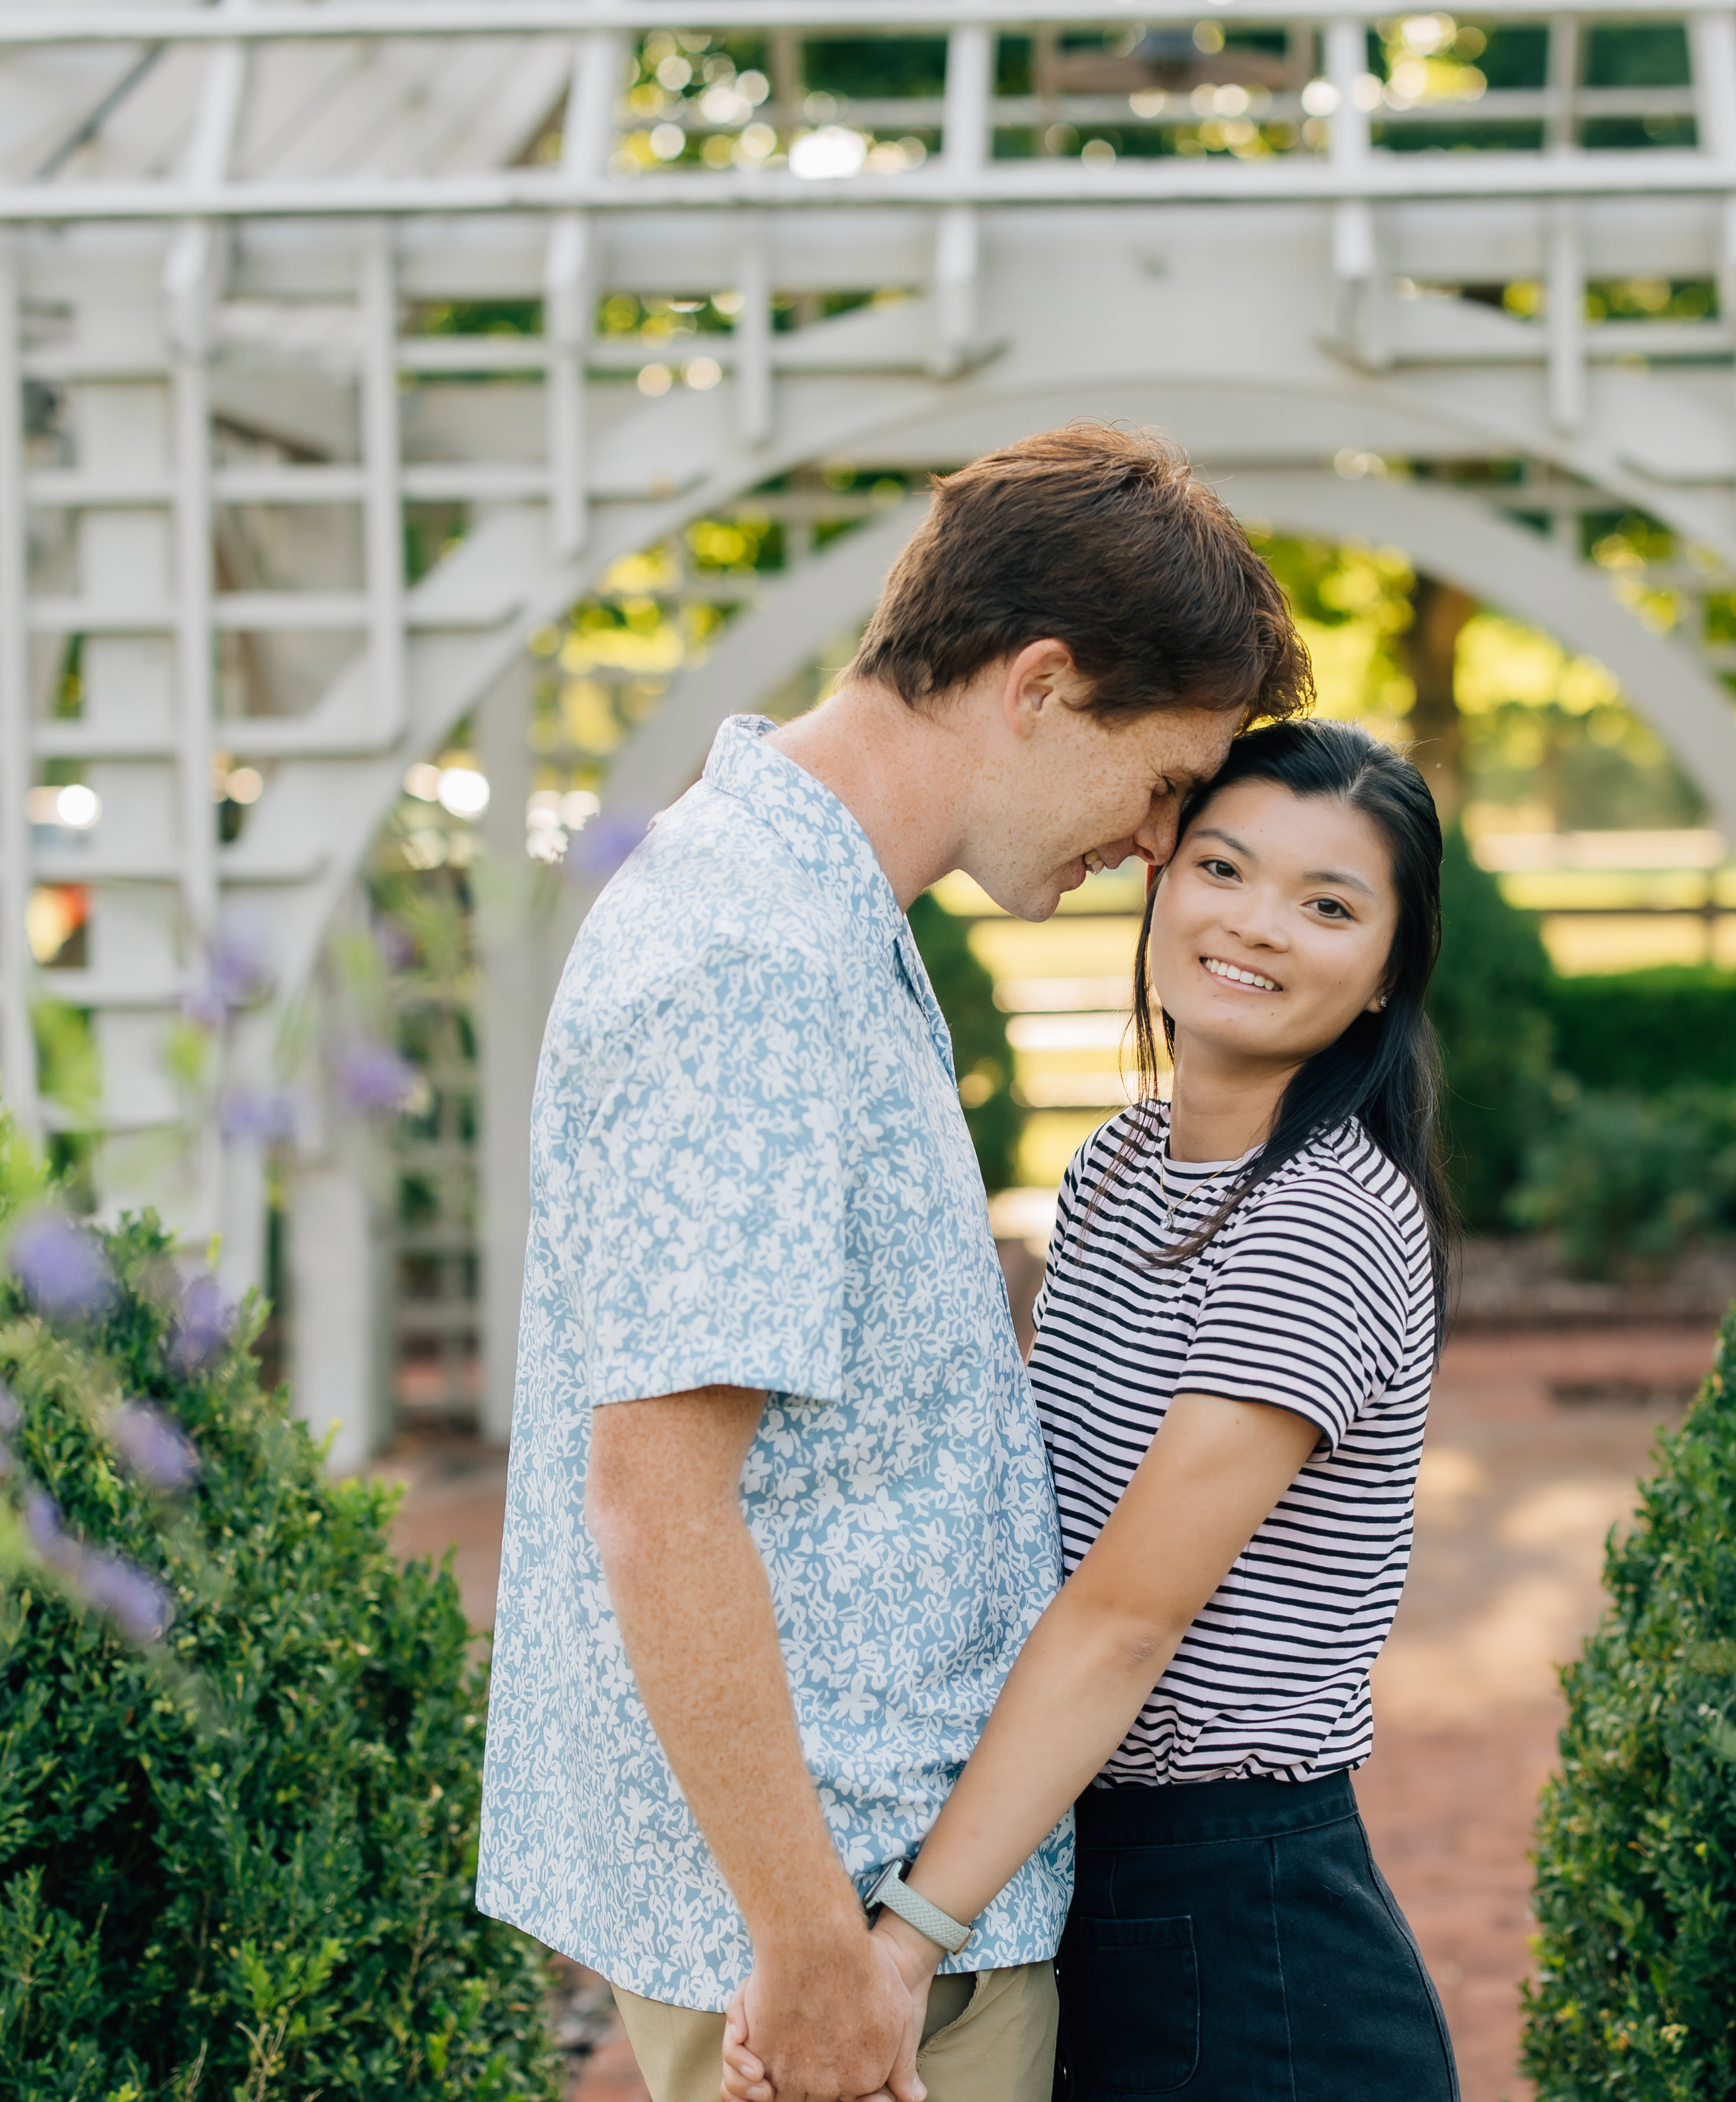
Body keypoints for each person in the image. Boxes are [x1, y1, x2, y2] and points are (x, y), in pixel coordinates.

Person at [474, 423, 1315, 2102]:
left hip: (871, 1892)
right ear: (1040, 684)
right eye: (1163, 783)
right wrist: (809, 1953)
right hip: (843, 1929)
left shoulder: (818, 912)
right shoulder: (751, 960)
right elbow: (656, 1500)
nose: (1160, 845)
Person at [723, 718, 1461, 2100]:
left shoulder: (1324, 1224)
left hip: (1244, 1934)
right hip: (1083, 1873)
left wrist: (897, 1950)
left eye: (1327, 905)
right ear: (1160, 882)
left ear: (1382, 979)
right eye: (1222, 869)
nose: (1255, 925)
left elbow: (1123, 1620)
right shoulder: (1121, 1170)